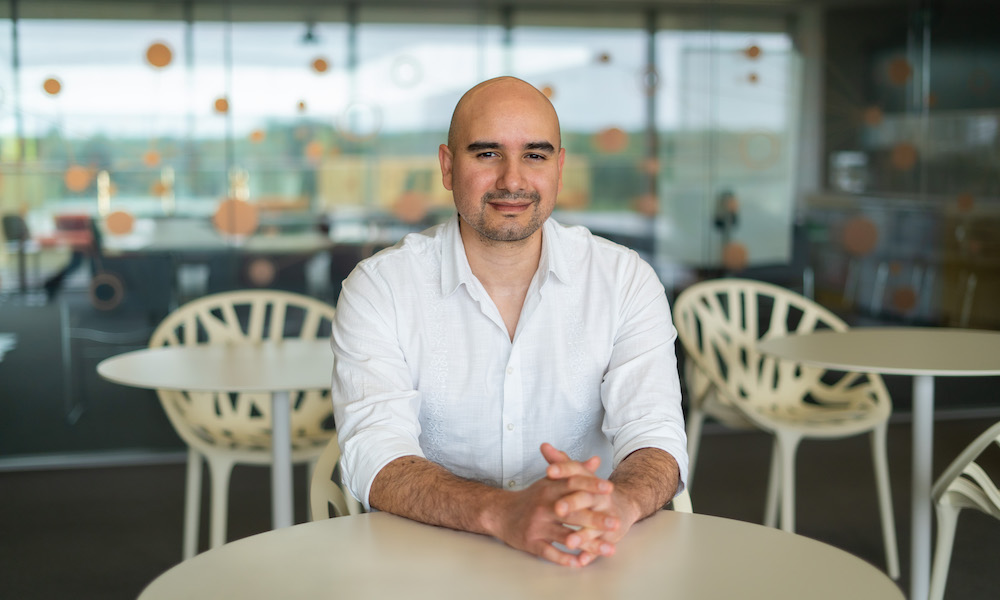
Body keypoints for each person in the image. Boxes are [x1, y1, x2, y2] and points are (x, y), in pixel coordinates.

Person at [330, 76, 687, 568]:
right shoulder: (381, 287)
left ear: (559, 169)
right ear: (448, 167)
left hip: (583, 552)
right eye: (487, 154)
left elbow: (655, 433)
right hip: (425, 561)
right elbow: (374, 453)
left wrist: (618, 504)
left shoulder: (624, 279)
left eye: (535, 155)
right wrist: (503, 512)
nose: (513, 181)